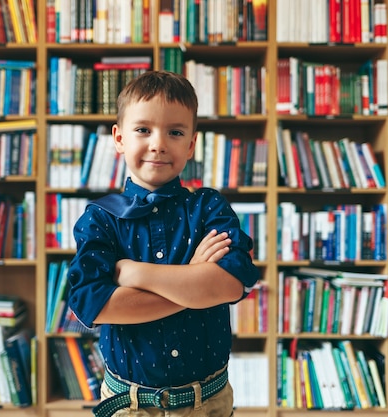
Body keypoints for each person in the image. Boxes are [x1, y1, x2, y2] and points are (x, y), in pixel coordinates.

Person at [67, 70, 260, 417]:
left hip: (208, 403)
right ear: (119, 138)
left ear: (190, 144)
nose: (158, 143)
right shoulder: (100, 218)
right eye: (143, 129)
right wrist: (193, 282)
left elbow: (233, 283)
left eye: (175, 132)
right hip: (131, 405)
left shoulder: (208, 207)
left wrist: (133, 273)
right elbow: (93, 305)